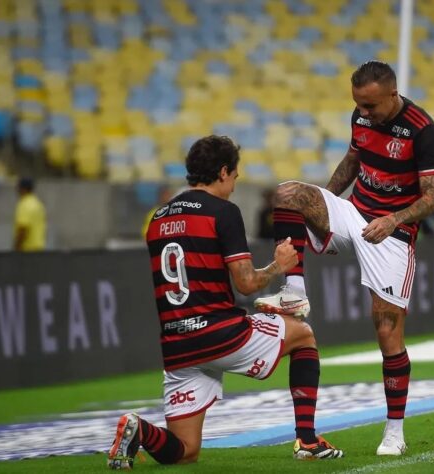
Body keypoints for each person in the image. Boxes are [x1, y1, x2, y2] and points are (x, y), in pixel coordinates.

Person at [107, 136, 344, 469]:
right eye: (234, 175)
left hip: (178, 345)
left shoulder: (158, 218)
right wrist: (280, 265)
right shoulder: (223, 212)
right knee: (303, 335)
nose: (234, 184)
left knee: (186, 450)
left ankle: (139, 430)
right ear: (222, 172)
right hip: (220, 333)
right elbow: (245, 282)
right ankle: (307, 440)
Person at [254, 61, 434, 456]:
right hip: (356, 214)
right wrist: (322, 202)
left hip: (393, 232)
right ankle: (294, 292)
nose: (364, 112)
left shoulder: (423, 131)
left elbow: (432, 197)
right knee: (289, 194)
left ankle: (394, 432)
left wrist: (394, 219)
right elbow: (352, 163)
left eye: (371, 106)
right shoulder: (361, 116)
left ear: (393, 95)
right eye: (359, 105)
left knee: (387, 330)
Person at [13, 177, 46, 251]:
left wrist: (17, 247)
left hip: (27, 251)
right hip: (39, 249)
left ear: (23, 189)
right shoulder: (37, 203)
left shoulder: (24, 204)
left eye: (18, 188)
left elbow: (23, 229)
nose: (17, 190)